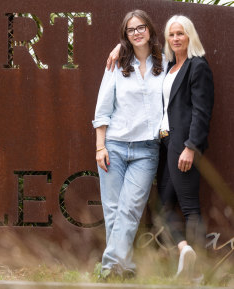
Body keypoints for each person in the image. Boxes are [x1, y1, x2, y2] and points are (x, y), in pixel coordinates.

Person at [106, 15, 214, 279]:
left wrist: (191, 147)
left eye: (181, 34)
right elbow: (142, 46)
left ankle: (197, 273)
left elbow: (202, 112)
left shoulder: (197, 66)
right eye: (171, 35)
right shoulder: (168, 65)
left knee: (189, 207)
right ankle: (186, 250)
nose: (176, 39)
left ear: (190, 36)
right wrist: (121, 46)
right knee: (162, 209)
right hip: (165, 143)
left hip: (183, 146)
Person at [92, 10, 166, 279]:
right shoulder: (116, 65)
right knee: (113, 211)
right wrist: (100, 147)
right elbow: (102, 109)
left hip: (147, 149)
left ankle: (110, 267)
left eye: (141, 28)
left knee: (130, 209)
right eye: (131, 30)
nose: (137, 33)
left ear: (149, 30)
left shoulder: (165, 62)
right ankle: (125, 268)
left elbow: (181, 41)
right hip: (114, 146)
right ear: (125, 34)